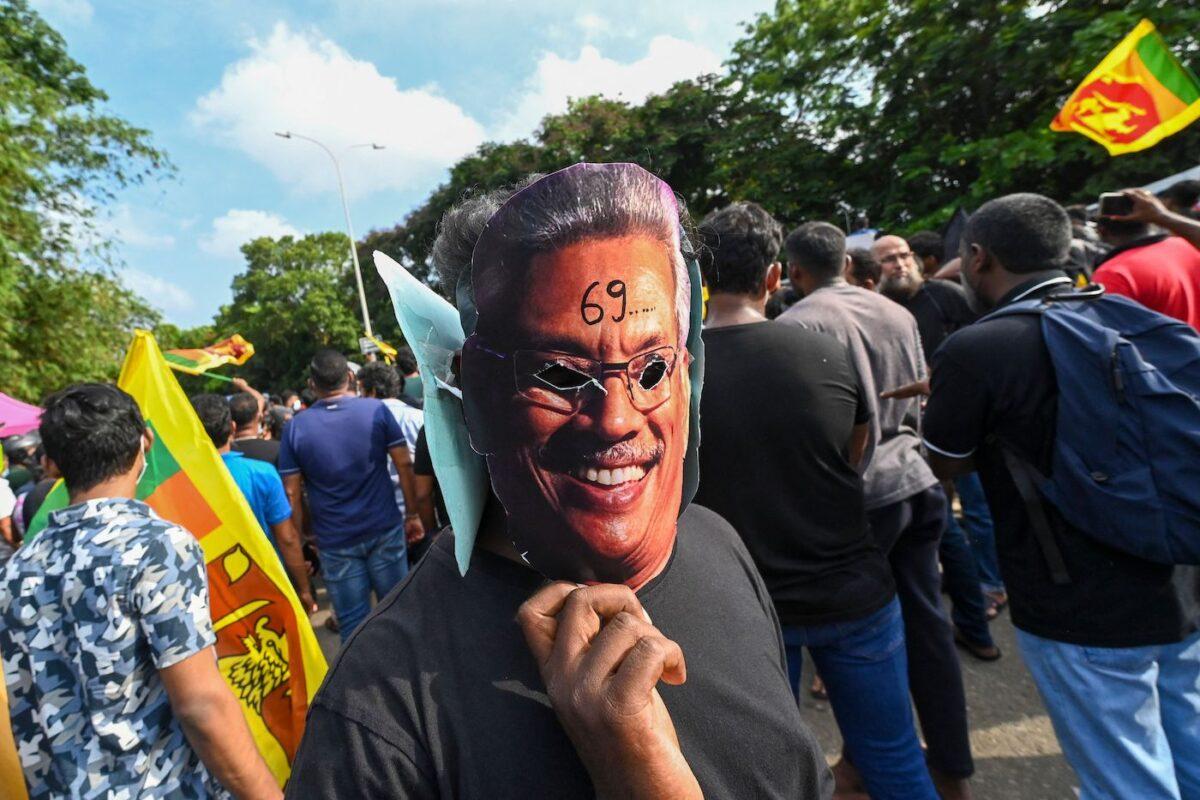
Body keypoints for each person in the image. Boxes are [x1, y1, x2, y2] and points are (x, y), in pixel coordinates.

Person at [286, 164, 830, 798]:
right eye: (561, 376)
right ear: (475, 391)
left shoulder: (713, 542)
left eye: (651, 369)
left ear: (687, 370)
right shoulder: (380, 713)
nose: (617, 421)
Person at [923, 192, 1200, 800]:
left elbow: (945, 458)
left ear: (976, 257)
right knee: (1189, 753)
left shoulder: (977, 349)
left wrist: (949, 396)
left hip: (1076, 599)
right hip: (1178, 573)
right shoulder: (1133, 317)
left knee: (1125, 778)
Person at [695, 202, 937, 799]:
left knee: (774, 775)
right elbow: (853, 454)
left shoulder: (675, 378)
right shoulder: (824, 353)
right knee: (895, 757)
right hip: (851, 587)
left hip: (744, 607)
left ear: (697, 279)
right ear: (775, 275)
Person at [0, 383, 280, 799]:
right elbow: (200, 703)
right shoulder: (157, 547)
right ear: (143, 445)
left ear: (53, 463)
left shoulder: (17, 569)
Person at [778, 222, 974, 799]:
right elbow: (918, 394)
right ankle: (950, 766)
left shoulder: (797, 326)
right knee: (927, 626)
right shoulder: (894, 311)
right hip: (916, 481)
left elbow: (824, 433)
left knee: (858, 643)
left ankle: (871, 762)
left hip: (862, 498)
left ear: (794, 271)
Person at [873, 233, 1001, 656]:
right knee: (943, 523)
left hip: (963, 421)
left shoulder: (945, 296)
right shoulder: (881, 310)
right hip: (910, 438)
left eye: (904, 255)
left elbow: (983, 343)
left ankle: (990, 589)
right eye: (888, 259)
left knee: (975, 510)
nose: (899, 264)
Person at [278, 349, 424, 642]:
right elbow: (404, 464)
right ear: (349, 377)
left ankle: (362, 687)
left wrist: (305, 534)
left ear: (312, 384)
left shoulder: (295, 428)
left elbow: (291, 493)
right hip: (384, 527)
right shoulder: (375, 411)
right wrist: (412, 514)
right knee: (396, 614)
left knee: (354, 626)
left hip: (334, 539)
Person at [191, 393, 316, 613]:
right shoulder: (262, 473)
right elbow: (287, 539)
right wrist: (303, 588)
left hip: (214, 597)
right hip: (268, 583)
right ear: (232, 427)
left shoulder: (184, 483)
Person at [1093, 188, 1200, 329]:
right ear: (1149, 221)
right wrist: (1162, 216)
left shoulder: (1113, 274)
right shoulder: (1186, 244)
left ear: (1101, 231)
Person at [358, 361, 428, 559]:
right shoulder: (419, 417)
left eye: (360, 390)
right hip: (423, 513)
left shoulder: (362, 423)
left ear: (371, 391)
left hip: (382, 519)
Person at [228, 378, 280, 465]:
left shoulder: (222, 455)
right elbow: (260, 398)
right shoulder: (278, 450)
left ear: (231, 422)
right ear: (260, 417)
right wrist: (244, 386)